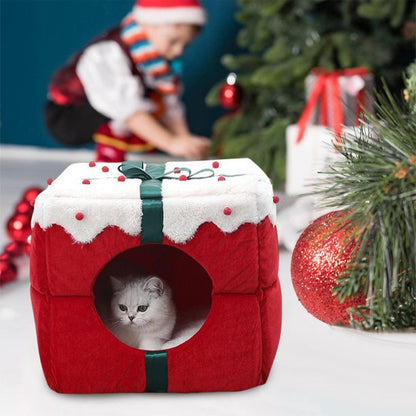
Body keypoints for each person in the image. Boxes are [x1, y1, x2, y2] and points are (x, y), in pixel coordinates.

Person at [44, 0, 210, 162]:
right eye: (173, 41)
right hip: (69, 112)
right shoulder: (109, 52)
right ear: (149, 24)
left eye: (185, 45)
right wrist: (171, 142)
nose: (178, 51)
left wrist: (185, 139)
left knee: (155, 101)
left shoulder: (157, 65)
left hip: (116, 108)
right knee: (129, 106)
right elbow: (127, 109)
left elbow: (170, 104)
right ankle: (108, 162)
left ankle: (118, 155)